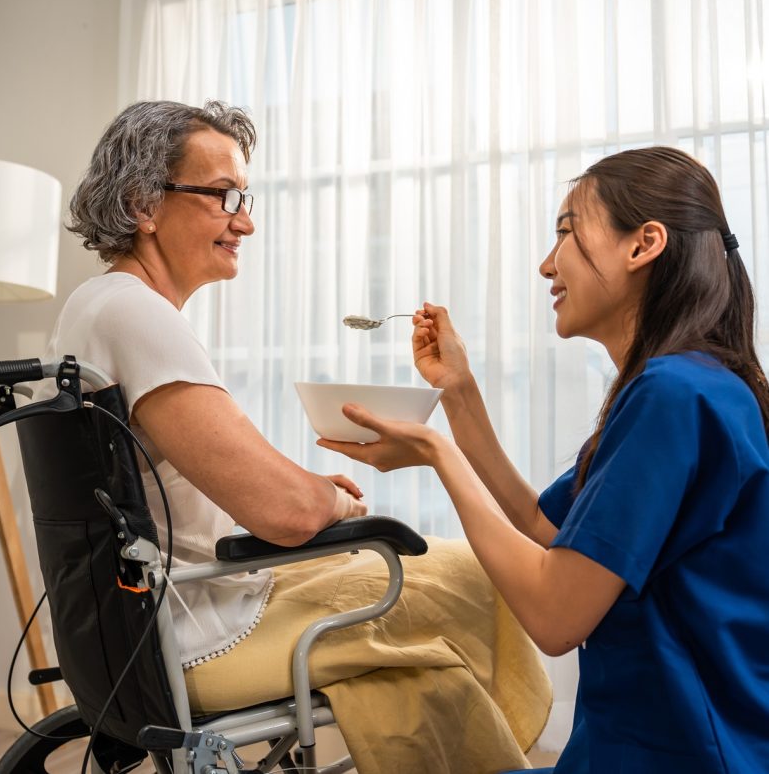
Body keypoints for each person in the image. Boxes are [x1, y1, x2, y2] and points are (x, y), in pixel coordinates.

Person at [49, 99, 552, 774]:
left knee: (421, 673)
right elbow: (285, 511)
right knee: (474, 573)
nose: (245, 221)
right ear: (144, 203)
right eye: (224, 196)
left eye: (245, 197)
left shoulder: (95, 309)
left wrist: (308, 490)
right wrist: (332, 502)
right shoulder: (136, 314)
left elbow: (216, 478)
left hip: (159, 621)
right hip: (207, 630)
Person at [320, 146, 769, 773]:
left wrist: (438, 455)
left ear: (644, 245)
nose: (545, 265)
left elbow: (556, 616)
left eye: (566, 233)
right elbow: (547, 528)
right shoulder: (694, 385)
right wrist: (459, 394)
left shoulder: (672, 396)